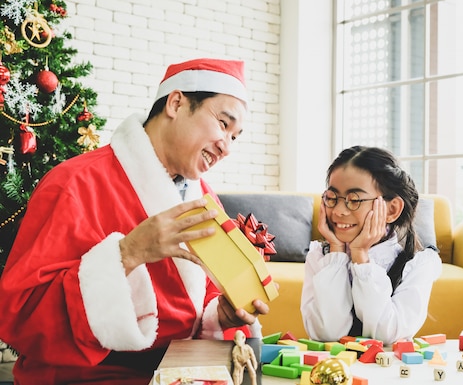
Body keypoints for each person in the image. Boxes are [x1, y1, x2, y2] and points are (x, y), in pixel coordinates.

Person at [0, 58, 270, 384]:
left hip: (178, 369)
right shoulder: (74, 183)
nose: (226, 147)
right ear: (176, 103)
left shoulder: (204, 198)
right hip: (84, 375)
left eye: (235, 137)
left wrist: (217, 315)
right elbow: (23, 316)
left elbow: (207, 294)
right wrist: (127, 253)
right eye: (223, 124)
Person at [300, 145, 442, 345]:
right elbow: (327, 334)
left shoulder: (419, 263)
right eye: (332, 198)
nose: (339, 211)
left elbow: (387, 337)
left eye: (354, 200)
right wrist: (337, 253)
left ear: (392, 209)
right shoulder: (320, 257)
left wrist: (361, 257)